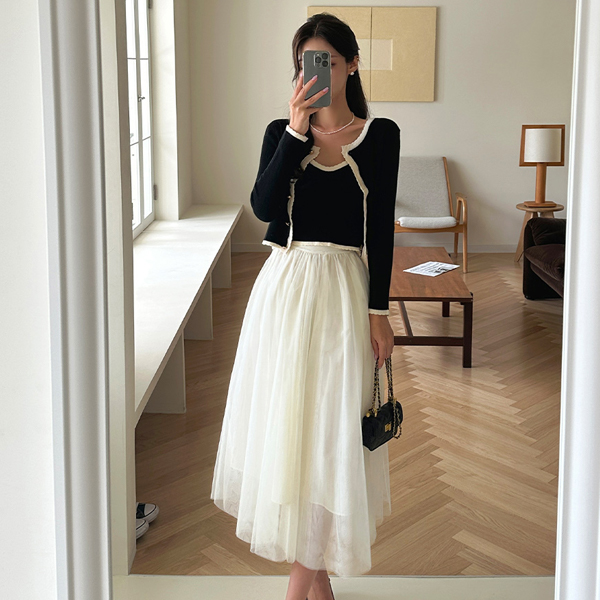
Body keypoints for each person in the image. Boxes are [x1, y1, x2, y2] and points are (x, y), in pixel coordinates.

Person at [210, 12, 400, 600]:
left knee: (331, 433)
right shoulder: (280, 133)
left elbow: (381, 230)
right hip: (286, 291)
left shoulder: (381, 135)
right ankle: (316, 588)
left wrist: (379, 313)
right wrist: (296, 134)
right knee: (291, 429)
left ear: (352, 65)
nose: (315, 74)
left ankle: (302, 588)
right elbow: (266, 208)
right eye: (305, 64)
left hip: (344, 292)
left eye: (328, 62)